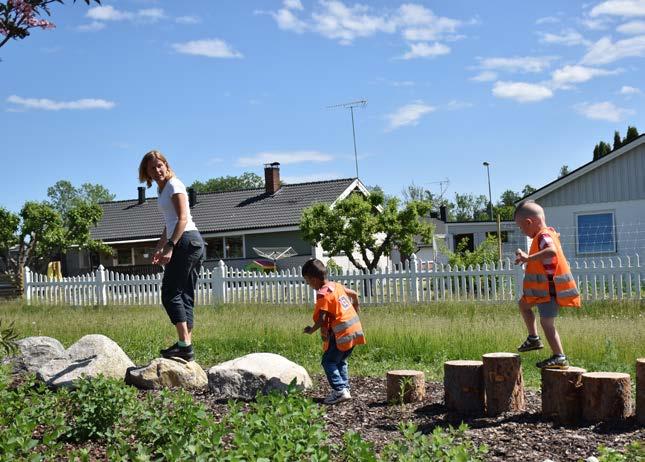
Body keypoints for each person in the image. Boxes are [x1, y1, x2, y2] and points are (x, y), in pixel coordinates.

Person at [138, 150, 205, 361]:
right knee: (184, 295)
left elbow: (183, 219)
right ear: (146, 173)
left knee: (170, 292)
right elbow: (170, 222)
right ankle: (186, 346)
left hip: (185, 240)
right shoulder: (162, 189)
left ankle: (185, 346)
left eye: (160, 165)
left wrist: (170, 247)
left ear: (166, 165)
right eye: (152, 168)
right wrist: (160, 247)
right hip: (188, 242)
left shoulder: (175, 185)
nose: (157, 170)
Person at [514, 200, 580, 369]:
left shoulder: (543, 236)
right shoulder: (543, 235)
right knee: (523, 305)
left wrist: (528, 258)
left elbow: (551, 251)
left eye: (522, 228)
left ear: (529, 222)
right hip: (541, 290)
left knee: (547, 323)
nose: (523, 232)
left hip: (549, 290)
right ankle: (533, 338)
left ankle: (559, 356)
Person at [302, 259, 366, 404]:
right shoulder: (336, 286)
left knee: (328, 361)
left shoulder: (323, 294)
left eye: (307, 282)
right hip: (354, 330)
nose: (309, 285)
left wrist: (312, 329)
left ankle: (339, 390)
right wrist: (356, 308)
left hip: (340, 334)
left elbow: (323, 318)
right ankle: (345, 389)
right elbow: (355, 294)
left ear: (314, 279)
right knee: (340, 360)